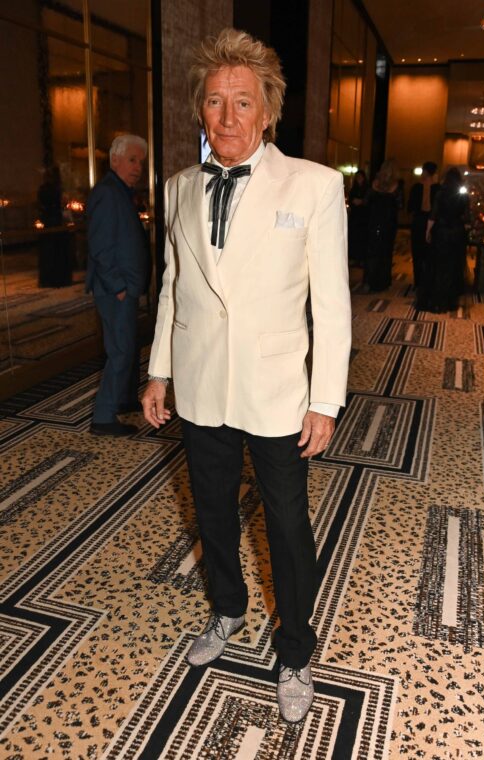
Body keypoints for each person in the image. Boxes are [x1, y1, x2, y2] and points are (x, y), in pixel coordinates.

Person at [141, 28, 351, 723]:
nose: (226, 118)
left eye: (241, 102)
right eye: (213, 102)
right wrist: (158, 373)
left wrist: (324, 400)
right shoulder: (176, 190)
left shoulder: (314, 185)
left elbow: (331, 303)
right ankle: (226, 611)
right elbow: (174, 287)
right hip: (201, 386)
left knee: (287, 527)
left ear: (266, 112)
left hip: (277, 393)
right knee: (212, 514)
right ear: (199, 112)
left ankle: (294, 649)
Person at [86, 134, 150, 436]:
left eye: (141, 162)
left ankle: (123, 399)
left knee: (127, 347)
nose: (138, 167)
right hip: (115, 291)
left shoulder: (120, 191)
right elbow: (99, 246)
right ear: (114, 160)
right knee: (120, 351)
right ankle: (103, 416)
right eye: (132, 160)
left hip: (125, 288)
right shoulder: (107, 193)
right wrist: (118, 286)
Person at [426, 167, 470, 313]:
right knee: (453, 267)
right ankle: (451, 301)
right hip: (456, 233)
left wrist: (428, 231)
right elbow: (467, 218)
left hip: (442, 232)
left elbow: (433, 215)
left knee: (439, 266)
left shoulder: (440, 193)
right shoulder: (462, 195)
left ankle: (438, 300)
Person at [363, 159, 399, 292]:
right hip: (388, 223)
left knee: (372, 251)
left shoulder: (375, 184)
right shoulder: (396, 186)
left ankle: (369, 280)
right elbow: (400, 205)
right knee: (385, 252)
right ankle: (382, 281)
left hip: (374, 221)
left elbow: (366, 202)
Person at [407, 161, 440, 309]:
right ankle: (420, 281)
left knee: (425, 253)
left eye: (424, 170)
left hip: (429, 222)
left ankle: (423, 281)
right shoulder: (418, 187)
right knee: (420, 251)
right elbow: (411, 205)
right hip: (423, 221)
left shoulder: (436, 188)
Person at [37, 165, 73, 288]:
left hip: (48, 221)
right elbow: (61, 204)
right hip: (55, 221)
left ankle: (48, 279)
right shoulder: (56, 189)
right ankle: (59, 279)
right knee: (56, 251)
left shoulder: (44, 188)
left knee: (49, 252)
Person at [347, 169, 369, 264]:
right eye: (357, 177)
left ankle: (361, 258)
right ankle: (354, 258)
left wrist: (362, 202)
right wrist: (354, 201)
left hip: (363, 217)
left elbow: (369, 201)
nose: (359, 179)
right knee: (354, 237)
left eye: (360, 177)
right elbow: (350, 199)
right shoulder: (354, 189)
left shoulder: (367, 189)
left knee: (362, 237)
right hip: (355, 216)